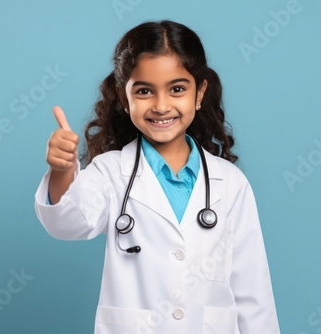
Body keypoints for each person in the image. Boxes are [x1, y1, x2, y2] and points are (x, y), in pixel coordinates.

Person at [35, 20, 280, 333]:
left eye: (177, 89)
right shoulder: (111, 173)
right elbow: (67, 223)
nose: (162, 106)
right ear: (125, 99)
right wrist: (62, 170)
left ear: (199, 92)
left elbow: (253, 295)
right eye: (144, 91)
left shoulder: (230, 183)